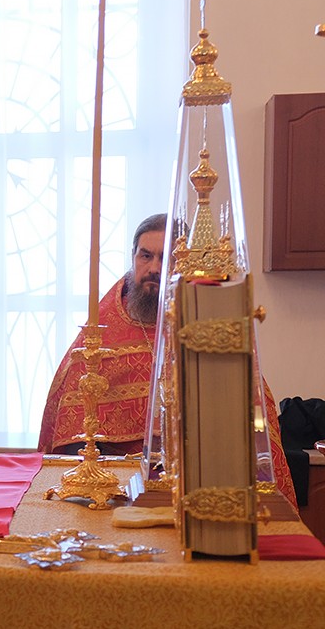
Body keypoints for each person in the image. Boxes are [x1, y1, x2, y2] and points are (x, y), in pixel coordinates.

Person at [36, 213, 297, 507]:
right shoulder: (102, 333)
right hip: (112, 491)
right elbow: (72, 431)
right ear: (133, 257)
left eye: (166, 258)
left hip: (199, 484)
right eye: (145, 256)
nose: (154, 268)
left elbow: (249, 413)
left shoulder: (210, 324)